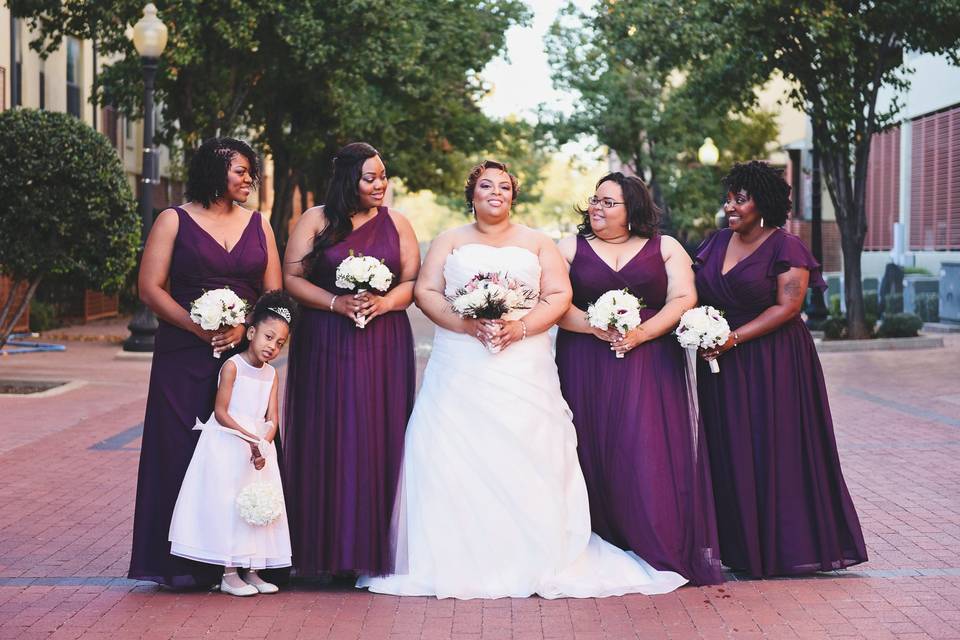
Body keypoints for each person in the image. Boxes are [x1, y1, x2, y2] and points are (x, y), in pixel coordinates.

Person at [358, 160, 687, 599]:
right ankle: (452, 555)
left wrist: (523, 326)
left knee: (532, 447)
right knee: (449, 449)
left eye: (505, 186)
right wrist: (466, 324)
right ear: (471, 195)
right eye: (486, 185)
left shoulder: (537, 242)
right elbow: (426, 292)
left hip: (523, 361)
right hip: (461, 362)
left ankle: (540, 554)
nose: (496, 192)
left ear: (514, 195)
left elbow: (559, 294)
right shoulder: (449, 240)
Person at [694, 160, 868, 577]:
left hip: (774, 361)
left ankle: (783, 547)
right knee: (729, 446)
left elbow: (788, 307)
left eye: (741, 198)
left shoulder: (786, 246)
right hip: (721, 362)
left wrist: (733, 337)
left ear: (764, 203)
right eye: (729, 198)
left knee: (772, 445)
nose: (730, 206)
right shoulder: (715, 243)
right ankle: (741, 546)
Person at [555, 172, 723, 585]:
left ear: (632, 209)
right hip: (584, 359)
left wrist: (641, 334)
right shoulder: (569, 248)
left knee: (644, 446)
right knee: (589, 443)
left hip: (650, 362)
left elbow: (683, 297)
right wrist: (595, 328)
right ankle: (597, 540)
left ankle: (653, 540)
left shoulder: (665, 247)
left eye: (608, 202)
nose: (597, 207)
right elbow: (554, 302)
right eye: (594, 200)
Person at [129, 137, 282, 588]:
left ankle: (242, 559)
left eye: (251, 172)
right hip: (183, 355)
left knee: (241, 449)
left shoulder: (261, 225)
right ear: (215, 172)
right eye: (240, 171)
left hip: (243, 356)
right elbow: (150, 288)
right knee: (181, 448)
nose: (249, 179)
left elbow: (273, 294)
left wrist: (245, 329)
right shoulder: (173, 220)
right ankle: (183, 562)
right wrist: (198, 328)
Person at [282, 142, 420, 577]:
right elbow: (290, 278)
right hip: (326, 340)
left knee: (376, 433)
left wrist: (385, 302)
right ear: (348, 180)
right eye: (370, 177)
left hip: (384, 342)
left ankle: (367, 550)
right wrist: (334, 303)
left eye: (383, 175)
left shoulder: (398, 223)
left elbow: (413, 280)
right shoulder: (316, 220)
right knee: (328, 430)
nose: (381, 184)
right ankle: (320, 552)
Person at [169, 291, 295, 596]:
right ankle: (228, 572)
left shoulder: (271, 375)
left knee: (257, 505)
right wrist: (248, 438)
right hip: (228, 444)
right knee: (229, 504)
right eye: (268, 336)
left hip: (257, 450)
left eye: (279, 343)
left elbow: (273, 418)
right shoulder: (233, 366)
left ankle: (253, 568)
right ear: (251, 332)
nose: (272, 346)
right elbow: (221, 412)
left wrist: (263, 443)